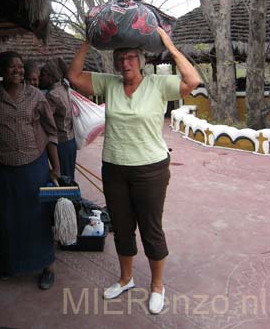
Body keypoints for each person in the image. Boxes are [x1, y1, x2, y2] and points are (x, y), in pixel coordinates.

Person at [67, 27, 200, 314]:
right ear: (115, 62)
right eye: (120, 58)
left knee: (151, 229)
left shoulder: (157, 84)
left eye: (130, 57)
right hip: (114, 167)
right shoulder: (109, 84)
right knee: (123, 228)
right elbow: (74, 76)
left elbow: (193, 80)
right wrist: (87, 42)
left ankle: (157, 286)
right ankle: (125, 278)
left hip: (150, 170)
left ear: (140, 59)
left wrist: (169, 44)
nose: (125, 63)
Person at [0, 51, 60, 289]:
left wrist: (55, 166)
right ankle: (8, 264)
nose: (18, 70)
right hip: (2, 168)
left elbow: (50, 132)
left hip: (35, 166)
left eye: (20, 67)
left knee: (38, 217)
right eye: (12, 67)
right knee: (6, 219)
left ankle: (47, 266)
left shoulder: (37, 96)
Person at [39, 58, 77, 180]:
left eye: (43, 75)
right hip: (70, 140)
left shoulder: (52, 95)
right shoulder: (64, 88)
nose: (40, 78)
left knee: (62, 180)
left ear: (51, 77)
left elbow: (44, 119)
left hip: (60, 143)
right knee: (68, 177)